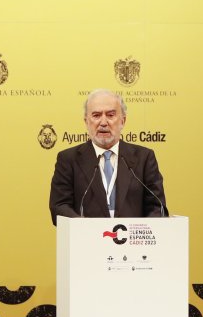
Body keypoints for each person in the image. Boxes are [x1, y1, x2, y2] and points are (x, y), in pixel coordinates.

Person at [49, 88, 168, 223]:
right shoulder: (68, 159)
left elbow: (158, 207)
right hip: (87, 241)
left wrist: (140, 231)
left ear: (123, 121)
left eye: (110, 115)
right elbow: (59, 207)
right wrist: (83, 228)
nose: (104, 122)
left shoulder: (144, 158)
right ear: (86, 122)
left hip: (133, 241)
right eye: (96, 115)